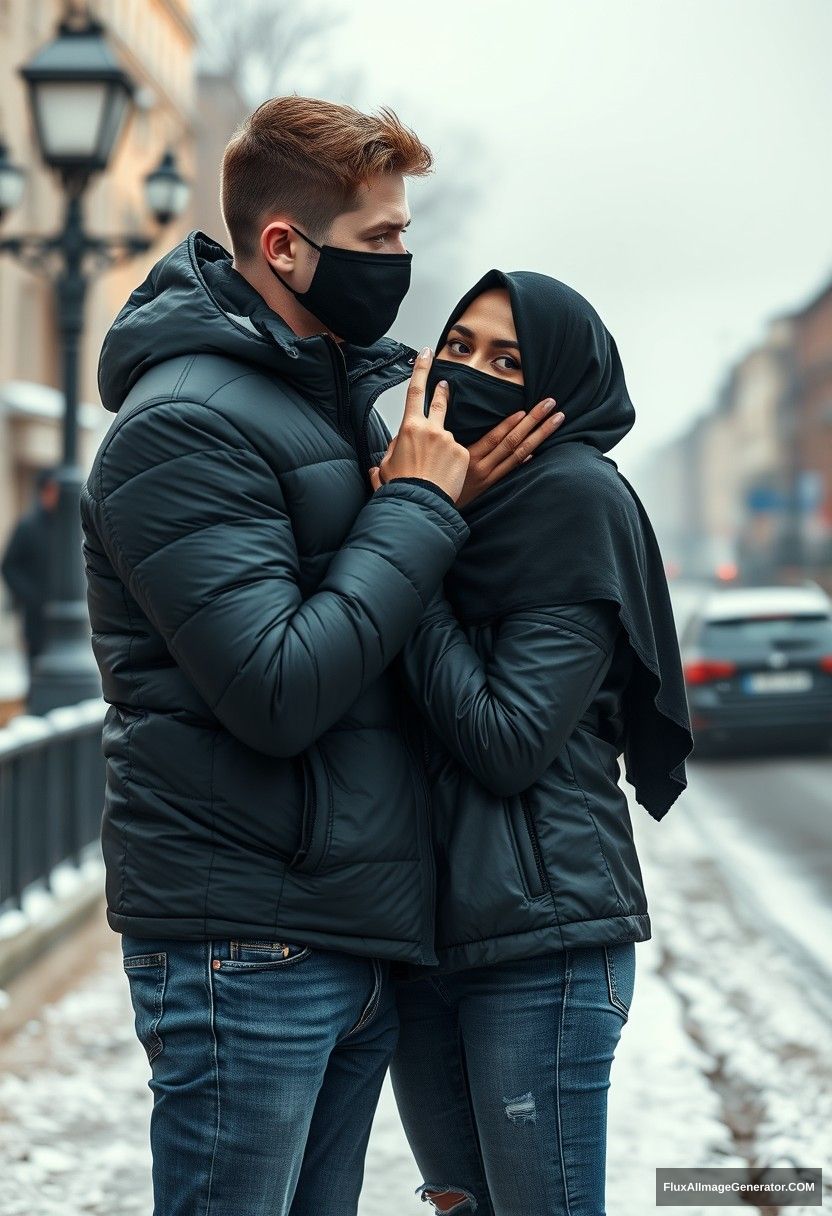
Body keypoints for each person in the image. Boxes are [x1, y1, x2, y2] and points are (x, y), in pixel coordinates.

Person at [79, 99, 563, 1216]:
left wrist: (439, 501)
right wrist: (420, 514)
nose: (401, 262)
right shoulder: (184, 426)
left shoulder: (322, 405)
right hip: (244, 942)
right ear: (284, 246)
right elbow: (279, 688)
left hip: (336, 935)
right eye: (380, 238)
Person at [377, 270, 695, 1216]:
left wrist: (411, 534)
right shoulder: (451, 497)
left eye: (509, 360)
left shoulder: (572, 499)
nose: (472, 373)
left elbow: (507, 741)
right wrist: (423, 513)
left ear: (561, 386)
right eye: (461, 346)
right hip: (422, 937)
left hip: (540, 942)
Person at [1, 467, 60, 684]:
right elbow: (8, 566)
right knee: (36, 671)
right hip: (36, 616)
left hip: (61, 615)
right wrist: (32, 597)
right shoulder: (27, 526)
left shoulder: (63, 526)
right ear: (46, 491)